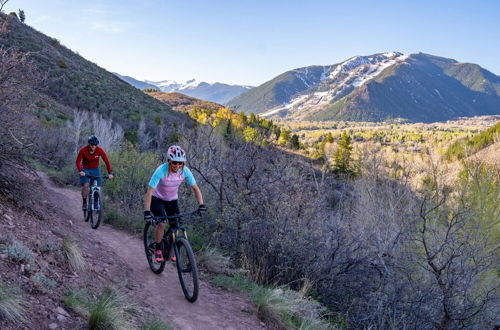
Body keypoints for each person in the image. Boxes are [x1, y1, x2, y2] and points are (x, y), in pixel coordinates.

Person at [144, 145, 207, 262]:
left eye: (180, 163)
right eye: (174, 163)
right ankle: (158, 249)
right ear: (169, 161)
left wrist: (201, 205)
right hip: (157, 199)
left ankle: (171, 249)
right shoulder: (160, 171)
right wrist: (147, 211)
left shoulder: (185, 171)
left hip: (172, 200)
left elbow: (195, 188)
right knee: (161, 223)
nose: (177, 166)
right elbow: (150, 191)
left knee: (176, 225)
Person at [76, 135, 114, 211]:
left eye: (95, 145)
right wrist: (80, 171)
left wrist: (110, 173)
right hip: (85, 169)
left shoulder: (99, 150)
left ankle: (96, 202)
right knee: (86, 185)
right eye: (92, 145)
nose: (94, 146)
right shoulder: (83, 150)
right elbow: (77, 162)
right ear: (89, 144)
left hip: (95, 169)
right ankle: (84, 202)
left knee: (98, 186)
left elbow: (106, 161)